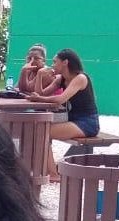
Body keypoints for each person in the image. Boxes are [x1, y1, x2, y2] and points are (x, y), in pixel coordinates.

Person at [26, 48, 100, 182]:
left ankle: (53, 174)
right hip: (72, 121)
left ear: (65, 62)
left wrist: (38, 98)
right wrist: (40, 76)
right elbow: (41, 94)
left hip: (87, 123)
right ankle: (49, 169)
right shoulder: (61, 79)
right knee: (39, 129)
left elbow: (60, 99)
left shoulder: (80, 78)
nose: (52, 65)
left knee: (42, 132)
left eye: (55, 62)